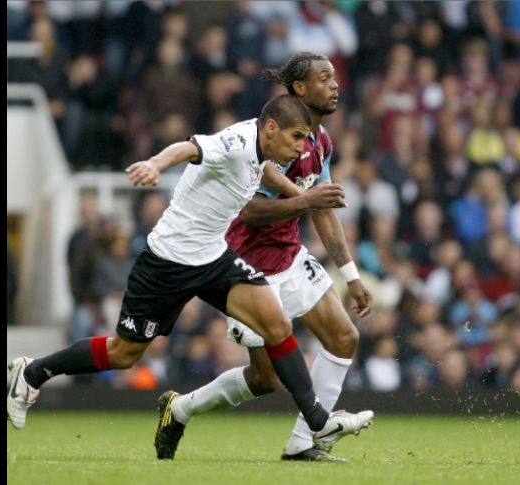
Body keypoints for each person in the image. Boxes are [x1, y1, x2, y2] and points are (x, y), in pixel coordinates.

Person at [7, 94, 374, 455]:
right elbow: (188, 149)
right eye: (296, 137)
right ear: (272, 128)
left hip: (214, 256)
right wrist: (154, 164)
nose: (300, 147)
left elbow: (265, 173)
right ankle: (32, 373)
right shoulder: (234, 143)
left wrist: (303, 198)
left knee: (276, 325)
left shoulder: (262, 147)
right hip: (168, 262)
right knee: (123, 354)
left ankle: (316, 421)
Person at [155, 52, 373, 463]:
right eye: (323, 78)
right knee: (264, 378)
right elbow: (250, 210)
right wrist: (305, 200)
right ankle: (180, 409)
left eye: (335, 77)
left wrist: (352, 276)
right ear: (299, 89)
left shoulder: (320, 141)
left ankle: (304, 441)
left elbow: (321, 208)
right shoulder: (267, 140)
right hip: (246, 267)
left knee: (344, 337)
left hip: (290, 256)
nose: (334, 84)